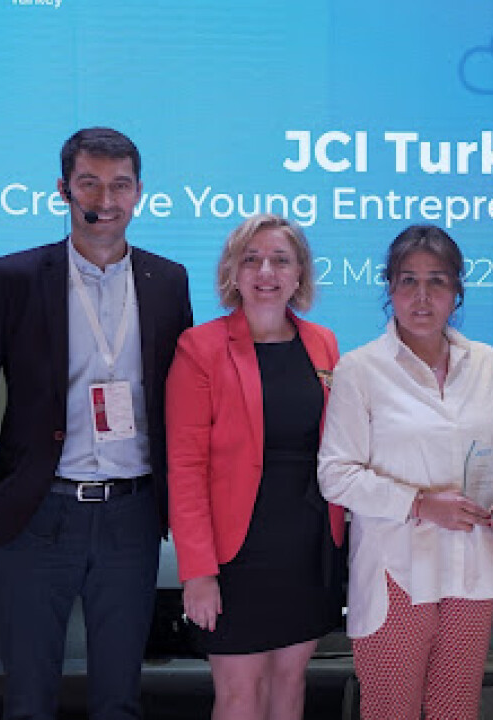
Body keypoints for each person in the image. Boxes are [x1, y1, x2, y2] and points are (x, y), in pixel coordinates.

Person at [0, 127, 194, 720]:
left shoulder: (168, 281)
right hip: (39, 513)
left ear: (139, 193)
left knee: (119, 699)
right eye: (89, 183)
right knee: (29, 698)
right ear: (63, 189)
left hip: (132, 514)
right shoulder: (14, 278)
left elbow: (180, 403)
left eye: (120, 185)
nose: (105, 199)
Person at [318, 224, 493, 720]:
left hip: (472, 565)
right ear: (389, 289)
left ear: (457, 292)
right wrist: (419, 504)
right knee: (391, 710)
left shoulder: (483, 361)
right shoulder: (360, 368)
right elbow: (336, 474)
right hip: (398, 568)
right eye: (408, 280)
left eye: (437, 281)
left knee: (456, 709)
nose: (422, 296)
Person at [165, 214, 343, 720]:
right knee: (241, 695)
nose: (267, 271)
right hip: (234, 556)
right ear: (233, 271)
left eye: (281, 260)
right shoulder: (199, 348)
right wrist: (197, 572)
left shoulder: (323, 343)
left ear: (300, 273)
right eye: (252, 259)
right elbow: (185, 468)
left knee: (290, 685)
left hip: (307, 548)